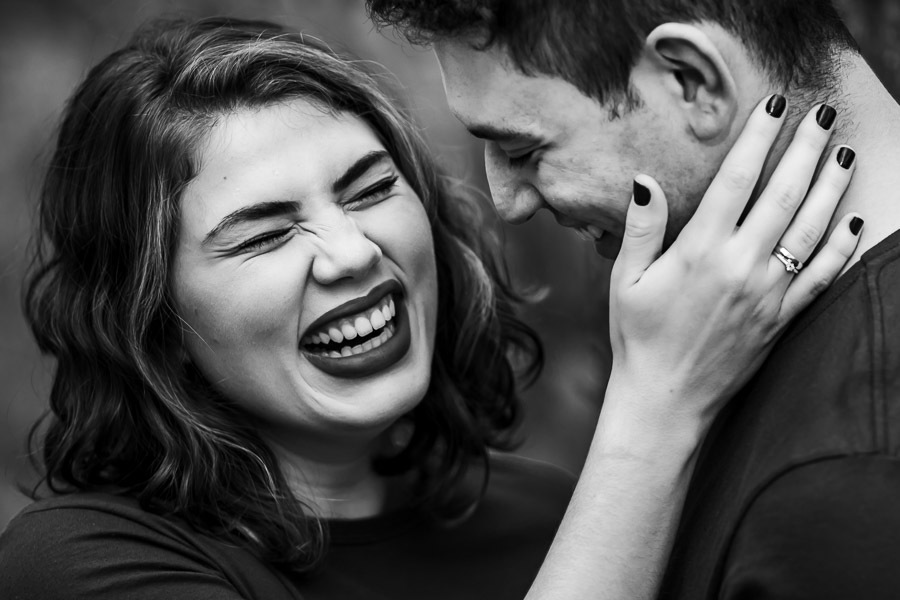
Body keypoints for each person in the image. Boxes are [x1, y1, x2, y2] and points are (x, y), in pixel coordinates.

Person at [0, 16, 860, 600]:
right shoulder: (78, 564)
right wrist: (658, 401)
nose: (352, 253)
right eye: (263, 235)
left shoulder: (554, 515)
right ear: (154, 320)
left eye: (371, 189)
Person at [367, 1, 900, 598]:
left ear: (690, 82)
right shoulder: (713, 334)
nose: (508, 203)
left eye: (523, 151)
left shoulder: (850, 480)